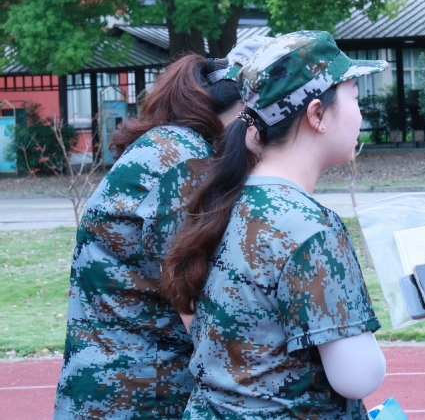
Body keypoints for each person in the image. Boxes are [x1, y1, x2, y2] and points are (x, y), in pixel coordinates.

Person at [161, 31, 387, 420]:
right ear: (317, 114)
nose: (361, 112)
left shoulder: (221, 202)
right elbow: (358, 376)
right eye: (354, 98)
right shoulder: (309, 227)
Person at [54, 38, 267, 419]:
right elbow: (206, 322)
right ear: (250, 110)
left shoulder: (173, 146)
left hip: (125, 390)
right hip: (139, 397)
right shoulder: (182, 162)